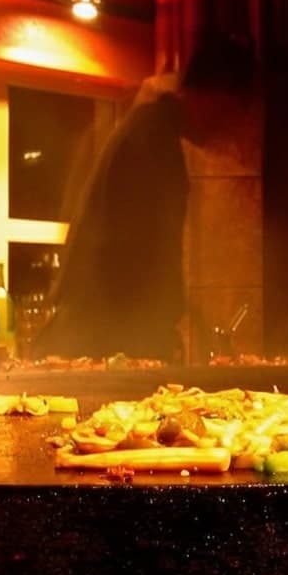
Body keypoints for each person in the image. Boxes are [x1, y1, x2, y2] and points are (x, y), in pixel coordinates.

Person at [32, 32, 256, 363]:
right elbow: (145, 250)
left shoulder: (147, 126)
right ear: (212, 95)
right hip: (102, 334)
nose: (225, 129)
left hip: (92, 327)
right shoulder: (152, 139)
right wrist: (162, 329)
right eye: (228, 112)